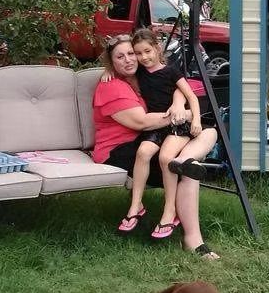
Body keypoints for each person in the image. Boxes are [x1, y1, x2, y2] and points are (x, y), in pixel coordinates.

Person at [92, 34, 220, 259]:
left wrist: (179, 102)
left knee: (205, 136)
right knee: (184, 170)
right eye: (120, 57)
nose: (129, 59)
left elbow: (174, 84)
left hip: (147, 138)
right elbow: (141, 122)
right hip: (120, 150)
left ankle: (185, 161)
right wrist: (184, 114)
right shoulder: (112, 86)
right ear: (111, 62)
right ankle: (193, 239)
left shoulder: (139, 78)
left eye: (131, 53)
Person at [118, 28, 204, 240]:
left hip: (176, 125)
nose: (143, 57)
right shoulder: (140, 73)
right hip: (156, 125)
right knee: (143, 152)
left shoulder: (171, 71)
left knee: (166, 159)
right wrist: (107, 72)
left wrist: (196, 120)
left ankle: (169, 209)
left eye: (147, 51)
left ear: (157, 48)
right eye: (139, 53)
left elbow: (191, 96)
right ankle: (136, 204)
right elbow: (121, 72)